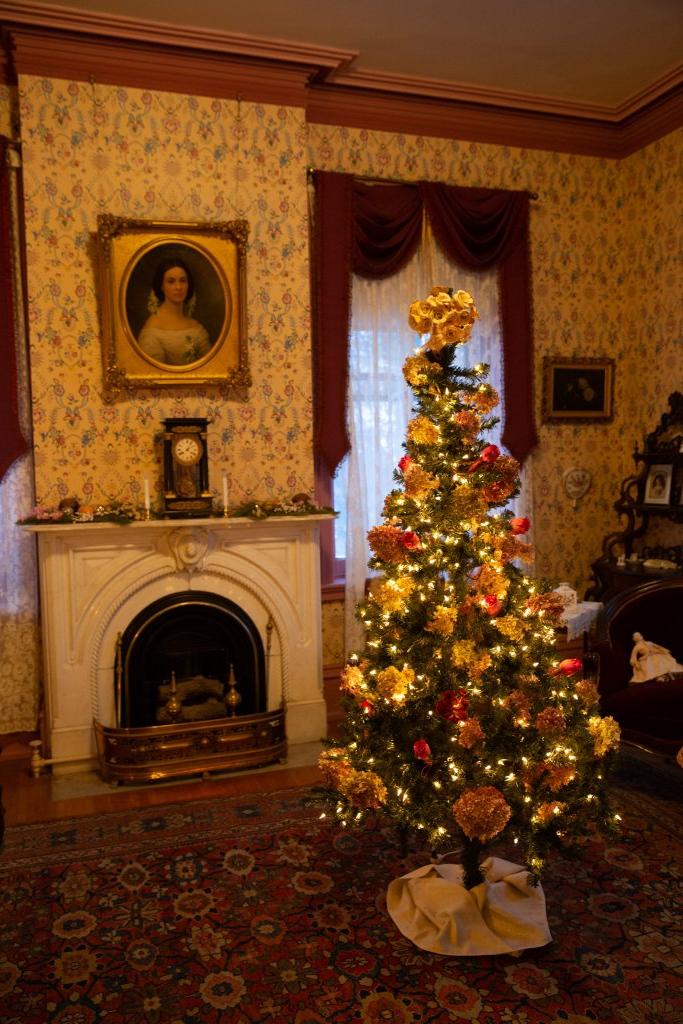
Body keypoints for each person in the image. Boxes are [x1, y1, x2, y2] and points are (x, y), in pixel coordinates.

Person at [137, 258, 212, 365]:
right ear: (161, 286)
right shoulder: (152, 329)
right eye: (171, 281)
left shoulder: (195, 325)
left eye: (182, 281)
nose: (178, 287)